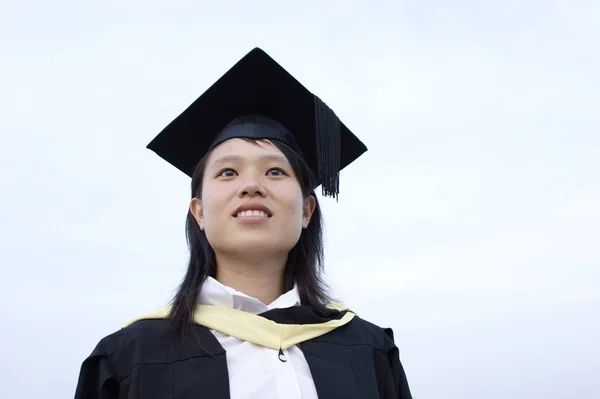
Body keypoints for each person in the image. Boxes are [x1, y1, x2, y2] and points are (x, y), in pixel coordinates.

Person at [74, 47, 413, 399]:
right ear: (199, 212)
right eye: (228, 172)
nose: (251, 185)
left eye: (275, 171)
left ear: (307, 210)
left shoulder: (369, 351)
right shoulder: (128, 358)